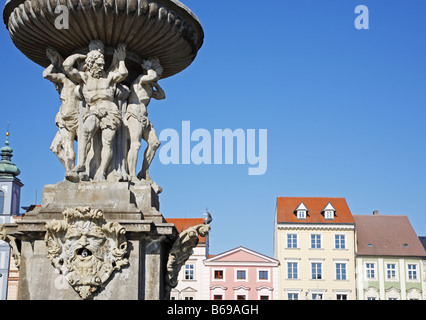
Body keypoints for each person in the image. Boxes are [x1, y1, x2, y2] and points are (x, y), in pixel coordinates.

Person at [63, 40, 128, 181]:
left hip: (110, 111)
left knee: (108, 141)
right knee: (85, 132)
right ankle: (80, 165)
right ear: (91, 63)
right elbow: (67, 66)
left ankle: (102, 172)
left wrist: (121, 60)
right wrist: (80, 56)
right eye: (98, 64)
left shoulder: (109, 77)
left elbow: (123, 74)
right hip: (93, 111)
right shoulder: (84, 78)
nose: (101, 66)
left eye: (102, 63)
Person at [125, 57, 165, 192]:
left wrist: (156, 84)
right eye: (158, 74)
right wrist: (149, 69)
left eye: (159, 75)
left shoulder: (148, 87)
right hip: (134, 114)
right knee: (135, 145)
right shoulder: (141, 80)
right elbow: (151, 75)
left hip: (144, 117)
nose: (157, 77)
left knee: (155, 143)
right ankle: (131, 175)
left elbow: (161, 96)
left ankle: (143, 172)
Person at [43, 47, 80, 175]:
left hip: (72, 117)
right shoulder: (67, 81)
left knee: (68, 145)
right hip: (63, 116)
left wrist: (54, 63)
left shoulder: (68, 80)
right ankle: (70, 171)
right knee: (55, 148)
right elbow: (46, 75)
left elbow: (46, 74)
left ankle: (73, 173)